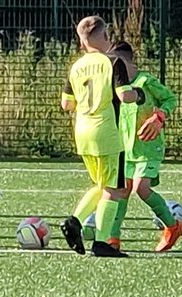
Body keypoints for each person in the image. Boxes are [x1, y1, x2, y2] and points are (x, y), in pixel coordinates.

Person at [57, 15, 140, 258]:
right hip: (107, 133)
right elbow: (125, 96)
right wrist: (139, 94)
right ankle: (101, 241)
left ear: (81, 42)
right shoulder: (113, 62)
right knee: (114, 189)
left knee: (103, 186)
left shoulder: (76, 67)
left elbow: (66, 104)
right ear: (105, 37)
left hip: (83, 133)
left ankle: (76, 221)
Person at [109, 41, 182, 253]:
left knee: (141, 189)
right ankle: (113, 238)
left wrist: (158, 117)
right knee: (122, 191)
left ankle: (172, 226)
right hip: (126, 148)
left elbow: (170, 99)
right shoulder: (116, 87)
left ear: (124, 61)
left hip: (148, 148)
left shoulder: (146, 81)